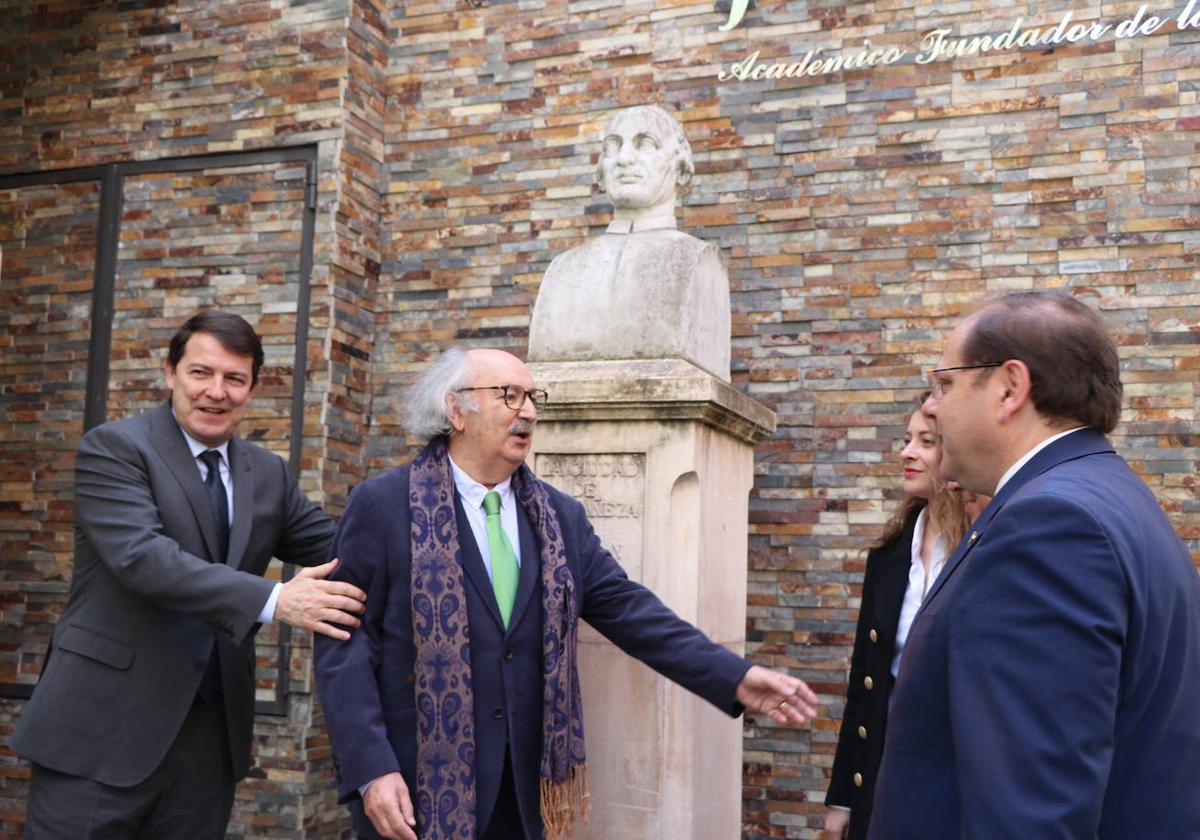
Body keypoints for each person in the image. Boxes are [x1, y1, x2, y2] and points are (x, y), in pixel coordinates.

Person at [313, 346, 818, 840]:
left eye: (534, 397)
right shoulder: (381, 505)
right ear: (455, 409)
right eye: (510, 395)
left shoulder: (559, 516)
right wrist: (371, 770)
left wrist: (736, 677)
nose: (528, 411)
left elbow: (630, 611)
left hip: (525, 789)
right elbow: (343, 643)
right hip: (414, 782)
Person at [13, 311, 367, 839]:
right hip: (100, 733)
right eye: (201, 373)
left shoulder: (266, 472)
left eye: (234, 379)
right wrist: (275, 600)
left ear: (253, 388)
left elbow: (345, 550)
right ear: (171, 372)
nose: (216, 392)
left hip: (207, 744)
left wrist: (431, 526)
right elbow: (143, 557)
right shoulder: (115, 449)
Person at [870, 291, 1200, 839]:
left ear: (1009, 388)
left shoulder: (1049, 526)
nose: (932, 407)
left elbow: (1031, 814)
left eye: (946, 383)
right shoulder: (1110, 495)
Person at [822, 401, 987, 840]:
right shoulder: (888, 556)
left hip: (959, 777)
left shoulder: (987, 549)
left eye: (926, 442)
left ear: (957, 453)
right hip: (884, 771)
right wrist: (842, 796)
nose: (907, 452)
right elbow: (864, 682)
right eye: (907, 440)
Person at [527, 104, 731, 379]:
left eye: (645, 144)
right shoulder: (563, 267)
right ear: (600, 169)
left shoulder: (700, 261)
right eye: (613, 146)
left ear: (680, 166)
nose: (624, 159)